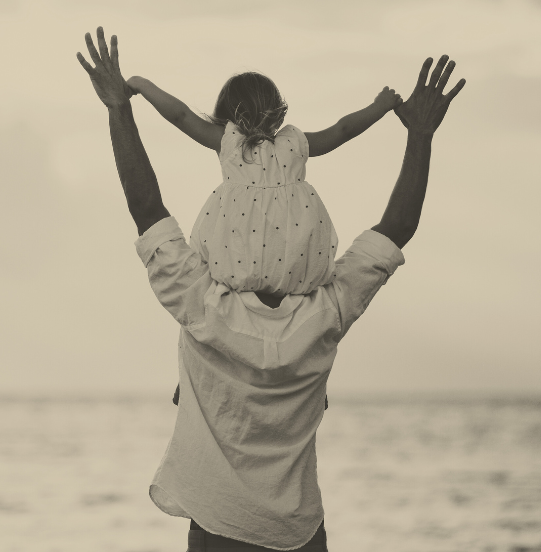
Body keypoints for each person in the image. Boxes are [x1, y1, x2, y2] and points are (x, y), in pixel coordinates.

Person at [76, 28, 465, 552]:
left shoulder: (202, 307)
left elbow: (147, 208)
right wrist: (419, 135)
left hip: (218, 528)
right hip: (299, 533)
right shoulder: (326, 313)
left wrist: (120, 107)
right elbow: (395, 228)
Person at [126, 73, 402, 296]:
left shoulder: (230, 143)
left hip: (240, 264)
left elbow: (181, 116)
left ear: (226, 113)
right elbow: (343, 130)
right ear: (276, 112)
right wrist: (380, 106)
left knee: (232, 262)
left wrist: (142, 85)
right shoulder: (295, 143)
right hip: (295, 263)